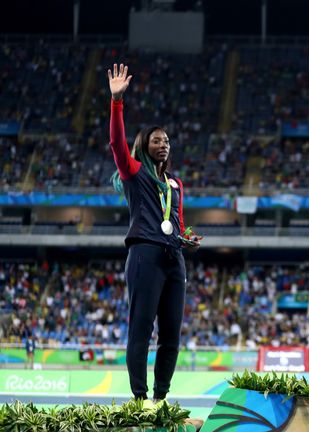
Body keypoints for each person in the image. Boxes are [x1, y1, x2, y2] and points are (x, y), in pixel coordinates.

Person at [107, 63, 201, 405]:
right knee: (141, 330)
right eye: (157, 140)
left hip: (174, 257)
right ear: (145, 145)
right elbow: (117, 144)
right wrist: (117, 102)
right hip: (145, 253)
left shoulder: (175, 184)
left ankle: (161, 399)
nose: (164, 145)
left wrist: (187, 237)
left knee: (172, 335)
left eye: (167, 141)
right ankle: (139, 399)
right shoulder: (134, 174)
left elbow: (176, 220)